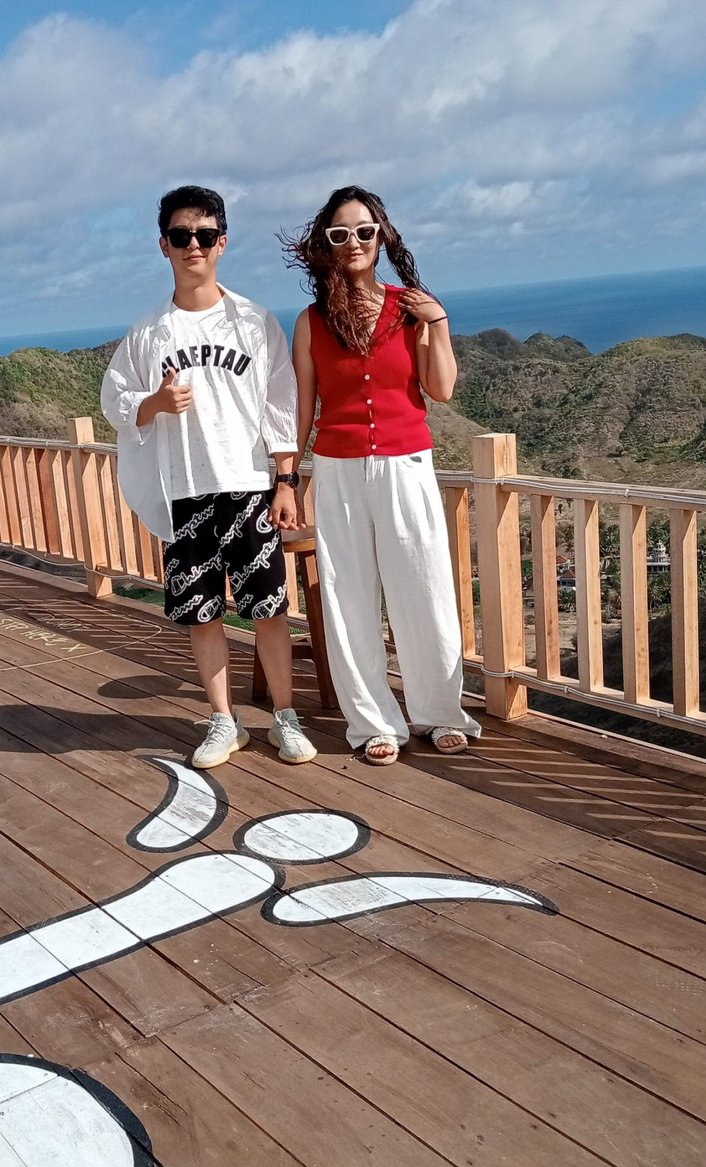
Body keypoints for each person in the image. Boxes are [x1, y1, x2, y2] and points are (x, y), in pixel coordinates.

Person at [101, 185, 317, 769]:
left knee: (268, 608)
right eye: (180, 236)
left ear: (221, 242)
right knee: (203, 613)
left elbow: (280, 403)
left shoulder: (253, 322)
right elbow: (115, 401)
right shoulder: (150, 333)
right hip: (185, 489)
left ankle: (284, 717)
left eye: (203, 235)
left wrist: (285, 480)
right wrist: (155, 403)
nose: (192, 246)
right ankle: (224, 721)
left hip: (247, 485)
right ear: (163, 246)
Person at [284, 185, 481, 766]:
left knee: (422, 587)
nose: (353, 243)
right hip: (338, 468)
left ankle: (440, 712)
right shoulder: (311, 321)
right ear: (325, 243)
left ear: (382, 237)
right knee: (349, 598)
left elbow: (440, 389)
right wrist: (288, 479)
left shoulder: (409, 308)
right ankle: (373, 721)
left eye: (364, 232)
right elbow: (303, 407)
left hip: (406, 464)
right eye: (339, 234)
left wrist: (438, 323)